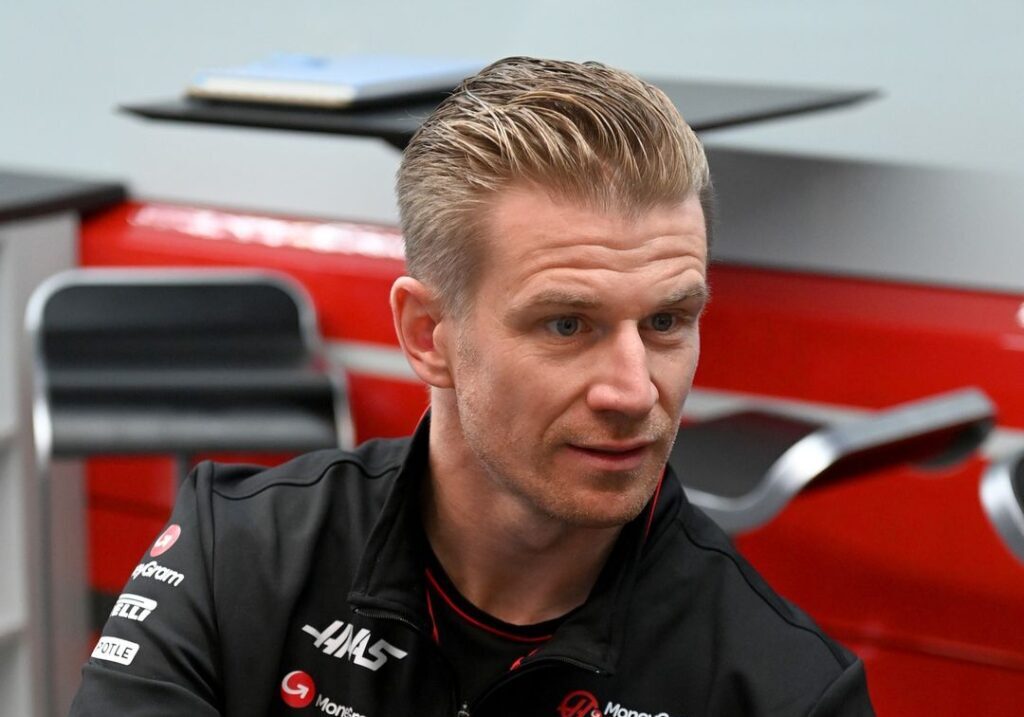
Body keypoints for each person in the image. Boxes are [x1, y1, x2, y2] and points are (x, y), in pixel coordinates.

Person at [70, 57, 874, 716]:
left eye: (666, 321)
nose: (635, 391)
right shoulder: (237, 551)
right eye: (567, 325)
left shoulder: (785, 690)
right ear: (429, 336)